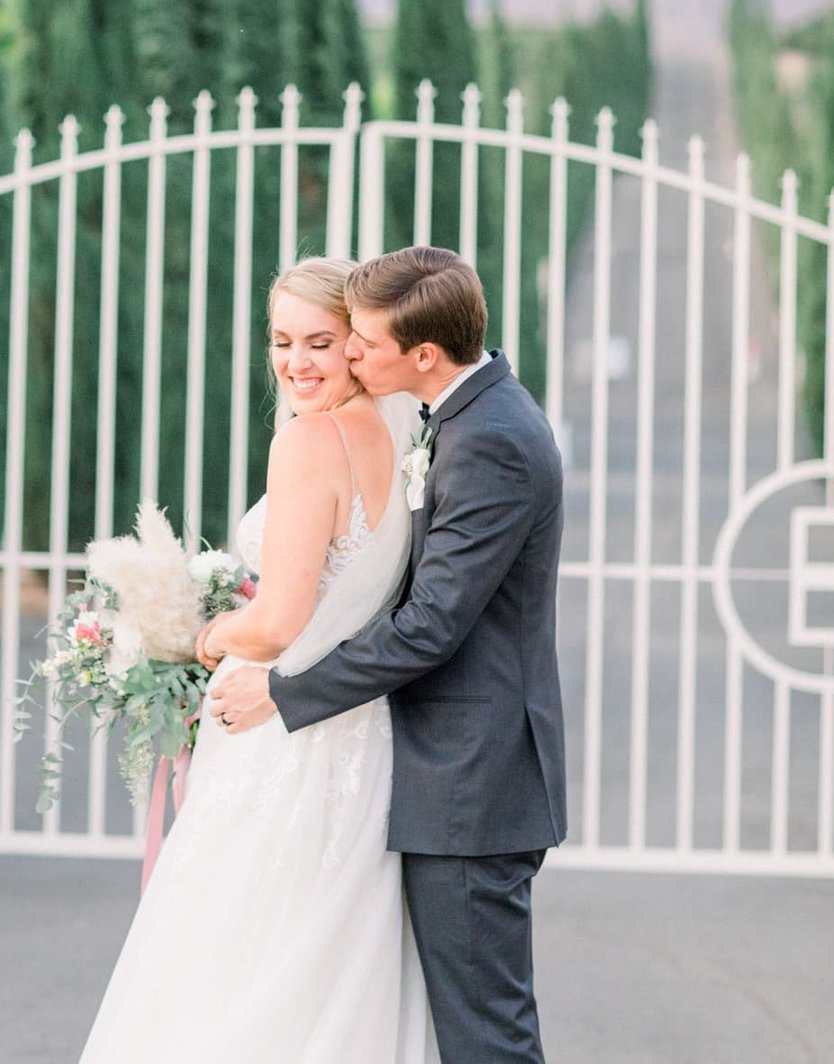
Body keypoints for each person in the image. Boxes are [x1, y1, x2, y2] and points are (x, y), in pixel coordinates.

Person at [209, 245, 567, 1064]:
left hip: (472, 782)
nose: (352, 357)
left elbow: (432, 625)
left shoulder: (492, 441)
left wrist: (283, 690)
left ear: (424, 354)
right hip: (442, 770)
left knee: (488, 1037)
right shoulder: (467, 420)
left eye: (359, 342)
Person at [76, 257, 439, 1064]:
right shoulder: (393, 433)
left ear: (359, 346)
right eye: (281, 341)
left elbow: (278, 623)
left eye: (320, 341)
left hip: (284, 739)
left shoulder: (312, 441)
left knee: (229, 966)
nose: (296, 362)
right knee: (337, 969)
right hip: (364, 744)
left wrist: (195, 637)